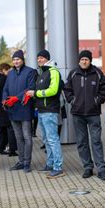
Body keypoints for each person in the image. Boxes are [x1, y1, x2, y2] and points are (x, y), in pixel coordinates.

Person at [64, 50, 105, 181]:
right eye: (82, 59)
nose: (84, 61)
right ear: (79, 61)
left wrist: (97, 101)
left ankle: (101, 169)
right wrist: (73, 101)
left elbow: (104, 90)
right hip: (78, 114)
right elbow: (67, 90)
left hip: (93, 113)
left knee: (96, 141)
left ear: (90, 61)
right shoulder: (73, 73)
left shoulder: (97, 73)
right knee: (82, 142)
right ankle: (88, 167)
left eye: (86, 59)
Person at [32, 50, 65, 178]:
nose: (39, 60)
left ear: (47, 59)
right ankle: (50, 164)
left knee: (52, 139)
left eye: (41, 58)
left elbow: (53, 90)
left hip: (50, 110)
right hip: (41, 110)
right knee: (46, 139)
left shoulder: (53, 71)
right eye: (38, 58)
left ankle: (58, 167)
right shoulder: (42, 72)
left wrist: (36, 94)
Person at [3, 50, 36, 173]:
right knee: (18, 137)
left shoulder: (30, 71)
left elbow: (31, 87)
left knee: (27, 136)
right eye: (14, 59)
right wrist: (4, 100)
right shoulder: (10, 73)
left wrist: (16, 98)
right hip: (12, 109)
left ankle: (27, 162)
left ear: (22, 60)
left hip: (24, 108)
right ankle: (21, 161)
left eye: (18, 59)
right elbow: (5, 88)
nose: (16, 61)